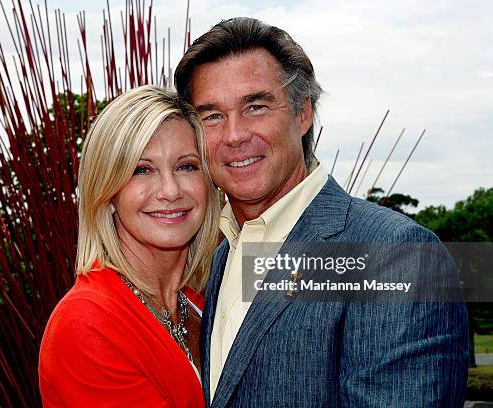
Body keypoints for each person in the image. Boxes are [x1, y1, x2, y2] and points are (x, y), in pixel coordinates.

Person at [175, 17, 469, 407]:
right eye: (212, 115)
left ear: (303, 113)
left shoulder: (393, 256)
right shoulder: (223, 256)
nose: (234, 134)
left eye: (256, 106)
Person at [38, 85, 220, 407]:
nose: (170, 190)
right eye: (142, 170)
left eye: (186, 166)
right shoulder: (86, 324)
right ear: (108, 193)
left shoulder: (203, 298)